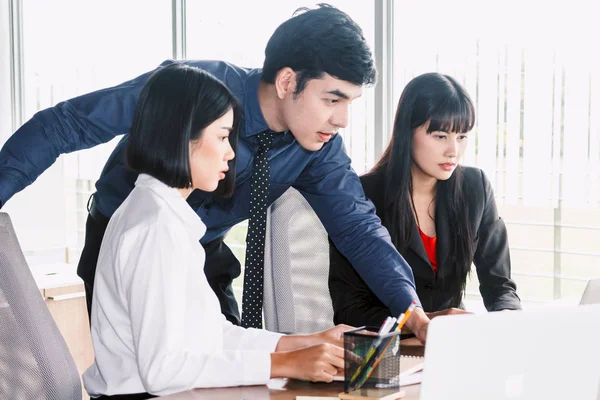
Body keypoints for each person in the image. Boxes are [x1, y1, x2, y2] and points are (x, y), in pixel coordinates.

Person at [0, 4, 430, 340]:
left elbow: (357, 228)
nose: (342, 121)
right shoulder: (193, 89)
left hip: (202, 252)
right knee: (142, 377)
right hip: (125, 244)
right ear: (286, 82)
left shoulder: (318, 148)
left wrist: (411, 310)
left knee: (232, 370)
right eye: (333, 100)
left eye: (350, 104)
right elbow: (67, 123)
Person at [83, 63, 352, 399]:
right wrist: (285, 364)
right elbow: (163, 371)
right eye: (223, 136)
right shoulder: (154, 228)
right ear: (182, 136)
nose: (230, 152)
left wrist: (304, 344)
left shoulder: (163, 215)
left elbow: (208, 335)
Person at [329, 72, 522, 329]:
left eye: (462, 136)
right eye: (440, 136)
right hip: (388, 349)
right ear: (407, 132)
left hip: (450, 344)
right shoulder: (362, 196)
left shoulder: (475, 188)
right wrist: (423, 322)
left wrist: (510, 317)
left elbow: (500, 285)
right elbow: (349, 309)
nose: (453, 151)